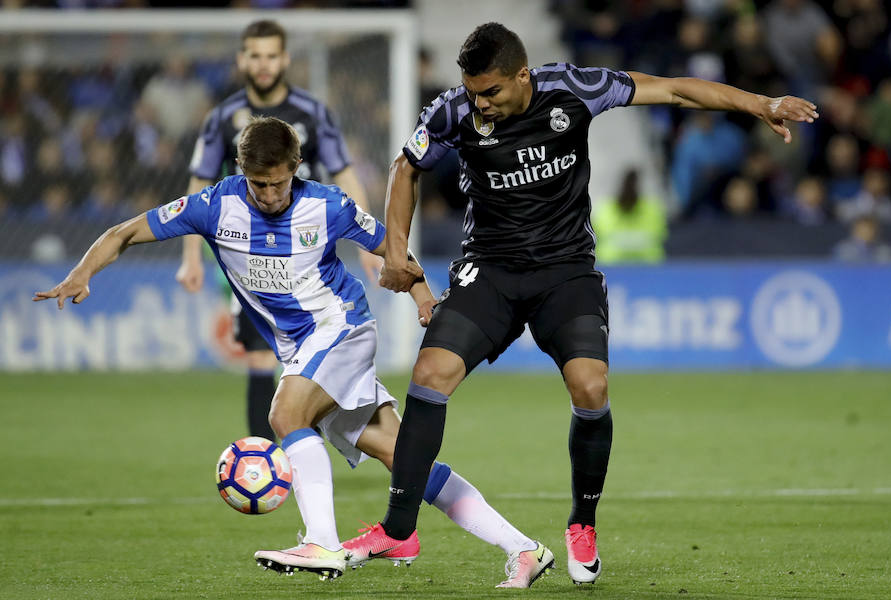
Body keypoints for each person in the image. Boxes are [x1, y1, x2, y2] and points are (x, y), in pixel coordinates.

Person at [362, 22, 820, 586]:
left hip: (565, 271)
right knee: (430, 373)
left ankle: (582, 523)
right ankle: (399, 529)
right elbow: (405, 168)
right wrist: (398, 252)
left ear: (522, 75)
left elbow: (674, 89)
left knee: (592, 387)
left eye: (492, 93)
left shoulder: (575, 89)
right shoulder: (453, 111)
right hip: (491, 271)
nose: (481, 104)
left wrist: (759, 103)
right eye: (474, 92)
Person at [33, 116, 551, 589]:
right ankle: (524, 548)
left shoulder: (328, 205)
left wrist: (420, 295)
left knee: (284, 412)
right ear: (242, 172)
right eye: (258, 184)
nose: (269, 194)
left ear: (295, 168)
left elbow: (390, 248)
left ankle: (321, 542)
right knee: (404, 455)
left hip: (342, 328)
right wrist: (82, 272)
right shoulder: (214, 206)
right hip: (302, 349)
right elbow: (123, 232)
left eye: (279, 182)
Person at [176, 19, 382, 442]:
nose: (264, 64)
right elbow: (197, 185)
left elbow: (343, 171)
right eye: (256, 55)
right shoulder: (222, 118)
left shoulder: (313, 112)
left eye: (272, 55)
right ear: (242, 59)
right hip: (248, 250)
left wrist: (368, 242)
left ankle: (303, 449)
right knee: (258, 358)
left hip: (307, 253)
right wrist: (191, 256)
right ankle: (268, 460)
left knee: (311, 362)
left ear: (285, 59)